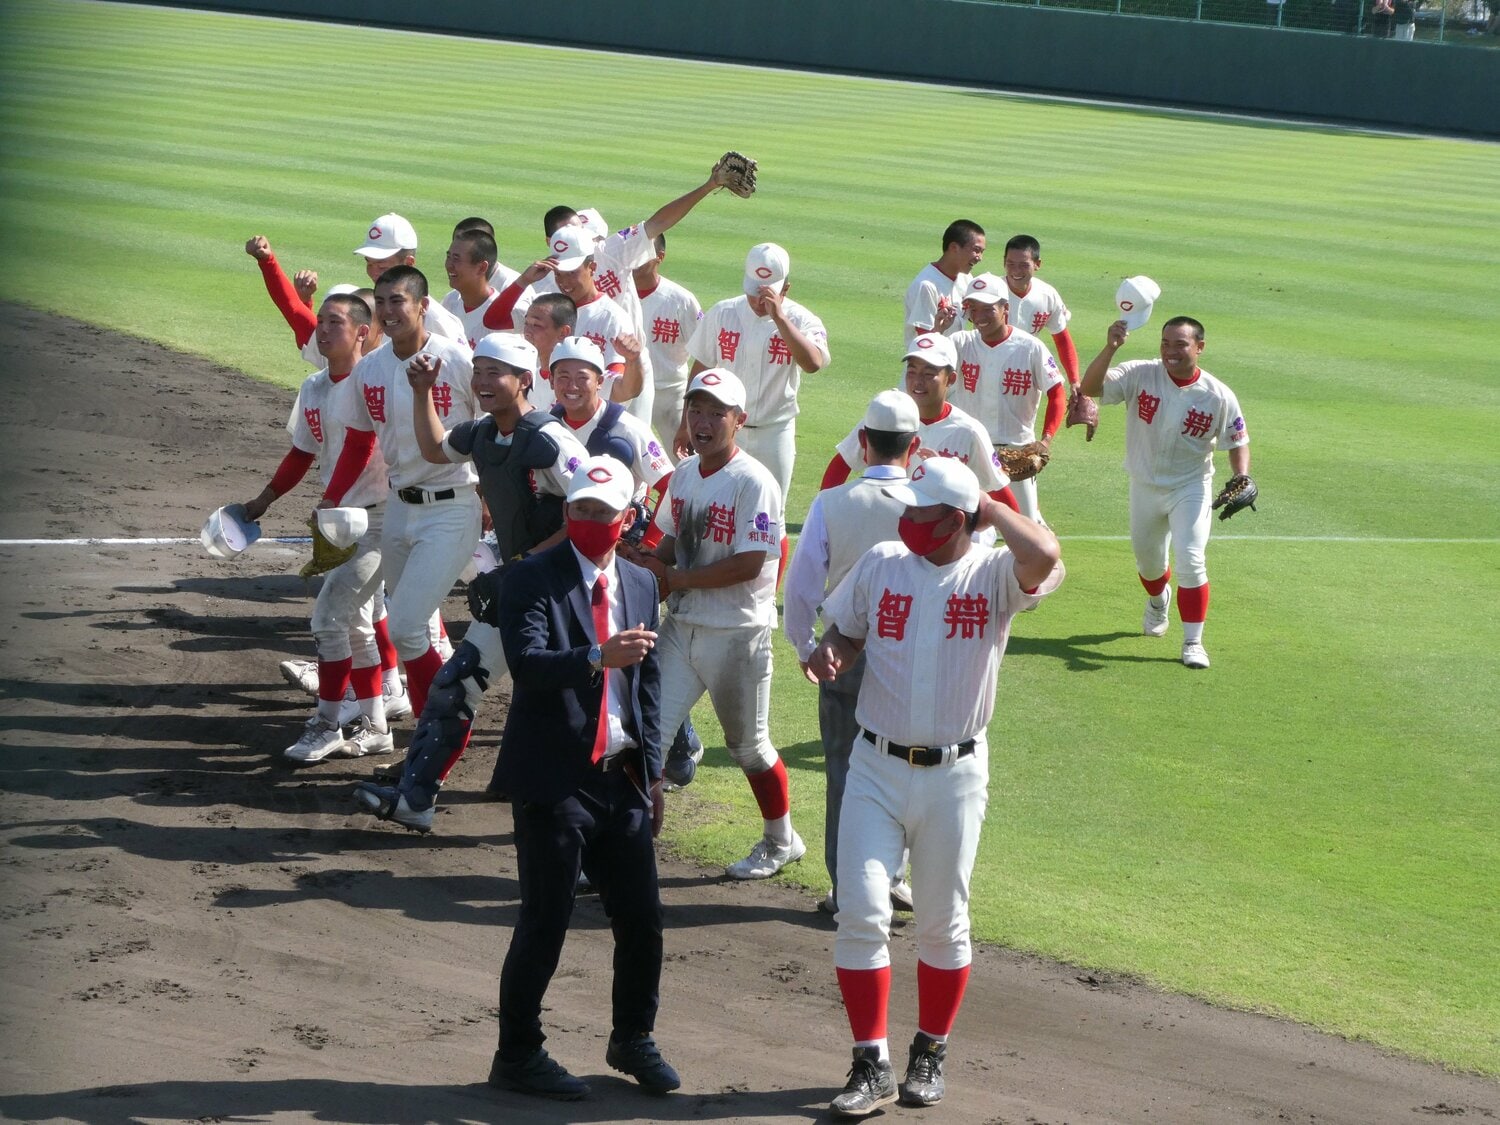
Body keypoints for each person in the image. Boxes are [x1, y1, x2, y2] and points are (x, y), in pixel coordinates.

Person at [807, 457, 1062, 1116]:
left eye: (926, 510)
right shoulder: (884, 562)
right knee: (860, 908)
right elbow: (846, 629)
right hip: (875, 766)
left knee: (944, 923)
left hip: (955, 775)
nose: (911, 518)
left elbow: (1045, 552)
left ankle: (931, 1050)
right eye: (910, 507)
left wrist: (992, 506)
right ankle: (871, 1063)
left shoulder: (994, 574)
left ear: (959, 518)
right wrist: (833, 650)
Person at [480, 455, 680, 1101]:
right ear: (568, 514)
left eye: (603, 512)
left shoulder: (643, 585)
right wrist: (597, 655)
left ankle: (632, 1036)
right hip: (554, 776)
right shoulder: (531, 578)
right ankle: (517, 1052)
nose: (590, 521)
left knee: (643, 917)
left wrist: (651, 775)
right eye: (580, 511)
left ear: (627, 519)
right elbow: (529, 663)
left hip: (619, 774)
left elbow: (646, 688)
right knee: (546, 916)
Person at [352, 333, 586, 827]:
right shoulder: (483, 433)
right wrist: (422, 394)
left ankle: (663, 754)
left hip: (568, 593)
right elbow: (437, 450)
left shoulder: (549, 439)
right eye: (478, 370)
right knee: (456, 685)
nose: (482, 380)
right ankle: (417, 799)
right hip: (521, 584)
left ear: (525, 381)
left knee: (578, 709)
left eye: (493, 372)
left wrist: (526, 563)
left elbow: (592, 517)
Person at [630, 369, 803, 880]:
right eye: (696, 410)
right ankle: (625, 855)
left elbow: (752, 563)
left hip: (738, 635)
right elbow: (663, 542)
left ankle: (780, 839)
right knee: (648, 738)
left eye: (716, 413)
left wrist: (673, 576)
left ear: (739, 421)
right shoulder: (684, 475)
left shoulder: (755, 482)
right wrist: (641, 565)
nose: (702, 422)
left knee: (749, 748)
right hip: (682, 628)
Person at [235, 292, 411, 762]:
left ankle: (328, 722)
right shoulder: (313, 386)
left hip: (379, 518)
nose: (322, 329)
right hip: (338, 523)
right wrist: (262, 501)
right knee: (357, 622)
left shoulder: (375, 383)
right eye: (321, 322)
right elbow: (301, 452)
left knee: (329, 617)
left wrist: (332, 497)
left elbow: (366, 447)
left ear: (361, 331)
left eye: (334, 322)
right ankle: (375, 726)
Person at [785, 390, 924, 916]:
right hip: (911, 657)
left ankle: (849, 889)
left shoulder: (832, 502)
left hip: (843, 655)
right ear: (914, 446)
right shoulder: (930, 503)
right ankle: (893, 875)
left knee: (845, 770)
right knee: (908, 769)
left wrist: (804, 647)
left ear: (863, 443)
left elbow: (801, 588)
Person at [322, 266, 479, 721]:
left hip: (451, 503)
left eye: (399, 301)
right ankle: (430, 722)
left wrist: (490, 497)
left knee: (407, 626)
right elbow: (358, 441)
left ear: (423, 306)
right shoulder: (370, 367)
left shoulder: (456, 359)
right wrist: (333, 498)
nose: (389, 311)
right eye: (382, 301)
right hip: (398, 508)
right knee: (410, 628)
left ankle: (443, 718)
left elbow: (490, 429)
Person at [1079, 316, 1251, 670]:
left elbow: (1238, 440)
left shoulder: (1218, 395)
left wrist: (1241, 476)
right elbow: (1092, 387)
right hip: (1143, 485)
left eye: (1181, 344)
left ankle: (1193, 642)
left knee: (1191, 559)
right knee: (1149, 563)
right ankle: (1159, 600)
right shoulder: (1140, 373)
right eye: (1166, 343)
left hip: (1191, 486)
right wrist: (1111, 347)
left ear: (1199, 348)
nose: (1171, 351)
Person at [683, 242, 830, 522]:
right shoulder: (723, 312)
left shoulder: (802, 320)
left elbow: (813, 363)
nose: (758, 301)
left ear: (785, 288)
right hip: (723, 429)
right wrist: (685, 424)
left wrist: (781, 319)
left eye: (767, 294)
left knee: (772, 514)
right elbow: (700, 368)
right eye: (753, 293)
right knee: (716, 508)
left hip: (774, 431)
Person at [817, 334, 1017, 516]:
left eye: (929, 374)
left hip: (941, 542)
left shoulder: (969, 430)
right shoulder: (888, 414)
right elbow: (842, 463)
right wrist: (823, 514)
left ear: (951, 379)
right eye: (912, 372)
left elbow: (997, 488)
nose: (918, 382)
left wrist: (1024, 535)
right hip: (886, 526)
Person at [949, 273, 1065, 524]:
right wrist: (937, 329)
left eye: (988, 309)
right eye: (973, 308)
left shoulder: (1030, 347)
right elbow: (929, 363)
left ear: (1005, 308)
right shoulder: (959, 342)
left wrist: (1045, 439)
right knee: (964, 528)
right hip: (970, 449)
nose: (978, 317)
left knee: (1026, 527)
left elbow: (1056, 391)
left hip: (1016, 452)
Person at [633, 233, 703, 448]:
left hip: (671, 393)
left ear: (659, 257)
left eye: (643, 253)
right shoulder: (615, 292)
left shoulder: (681, 300)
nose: (635, 259)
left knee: (682, 457)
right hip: (630, 390)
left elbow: (706, 352)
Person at [351, 212, 468, 343]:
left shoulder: (437, 321)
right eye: (369, 263)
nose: (373, 272)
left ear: (409, 263)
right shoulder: (374, 309)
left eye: (382, 266)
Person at [1000, 235, 1081, 389]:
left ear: (1037, 264)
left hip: (1026, 373)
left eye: (1023, 265)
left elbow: (1062, 338)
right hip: (988, 365)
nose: (1016, 270)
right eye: (1010, 263)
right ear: (1004, 261)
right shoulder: (989, 290)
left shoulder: (1047, 295)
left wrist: (1074, 380)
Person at [903, 220, 986, 349]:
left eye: (982, 252)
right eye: (976, 250)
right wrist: (939, 329)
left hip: (954, 362)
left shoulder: (967, 279)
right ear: (954, 247)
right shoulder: (926, 286)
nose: (979, 257)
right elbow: (924, 342)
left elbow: (977, 318)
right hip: (929, 365)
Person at [440, 227, 510, 350]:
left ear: (482, 267)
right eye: (448, 257)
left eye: (456, 259)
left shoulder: (502, 315)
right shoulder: (450, 301)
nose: (449, 265)